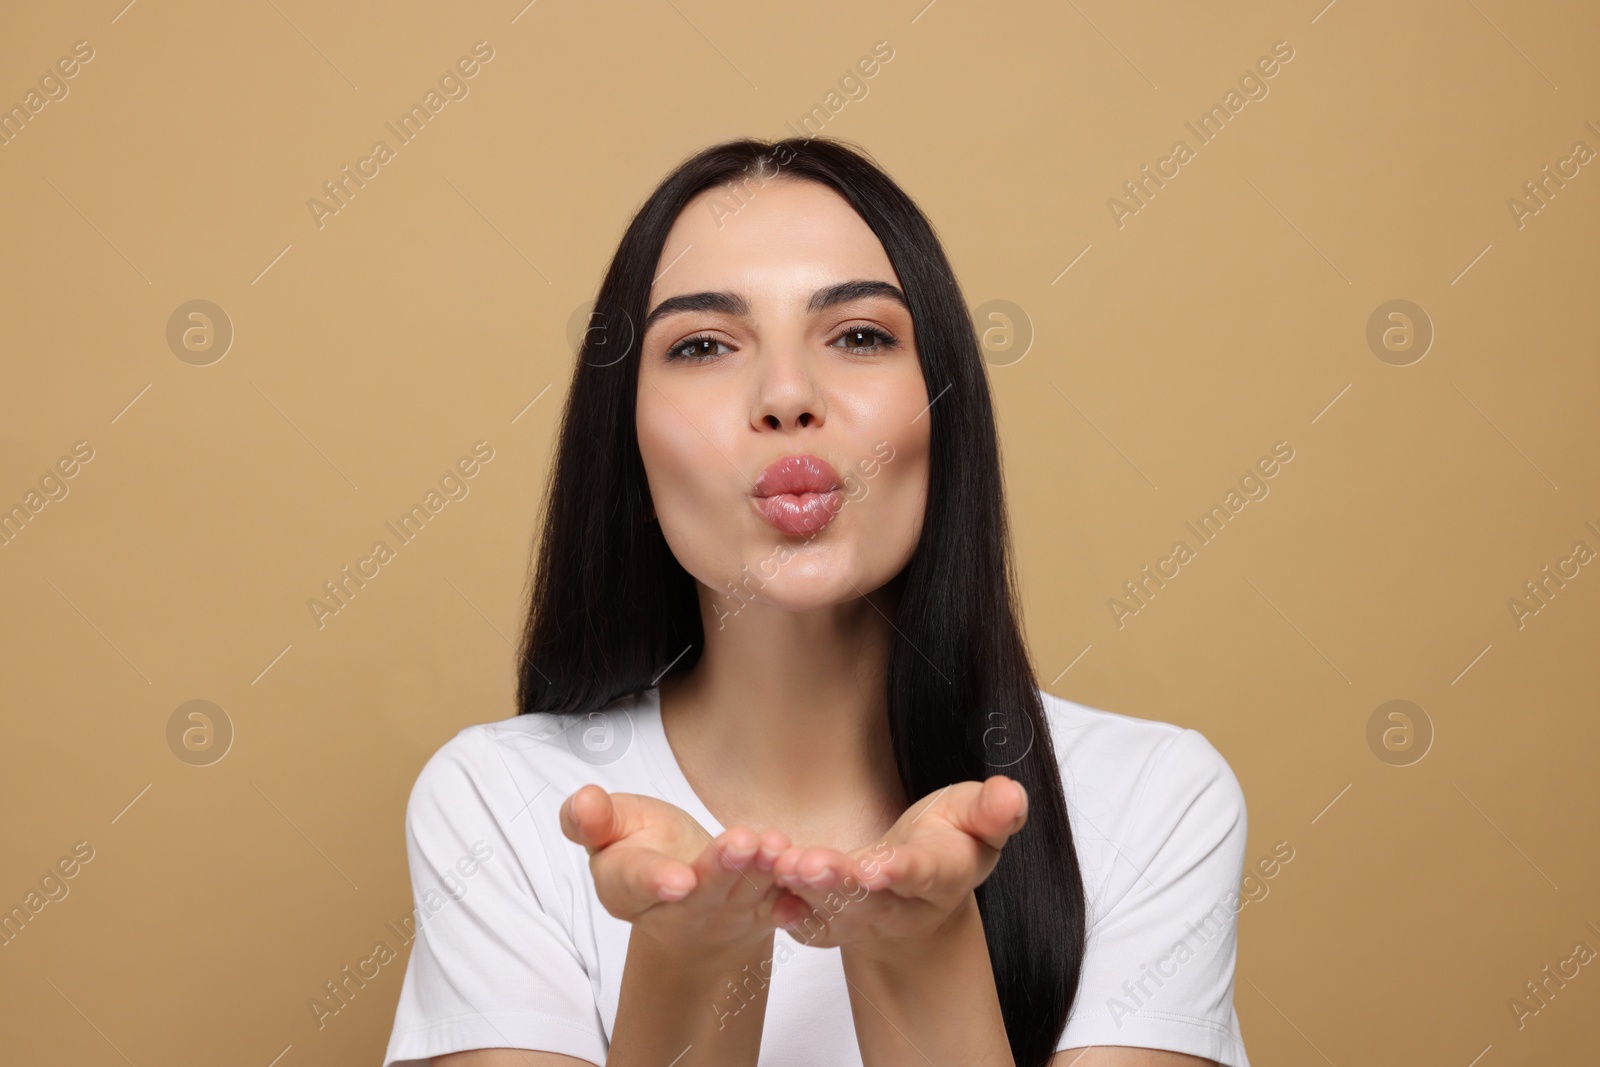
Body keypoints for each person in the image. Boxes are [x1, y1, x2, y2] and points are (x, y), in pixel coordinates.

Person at [382, 136, 1251, 1067]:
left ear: (943, 404)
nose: (788, 395)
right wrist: (688, 962)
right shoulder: (500, 806)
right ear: (626, 434)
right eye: (705, 344)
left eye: (861, 336)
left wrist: (921, 948)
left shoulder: (1155, 800)